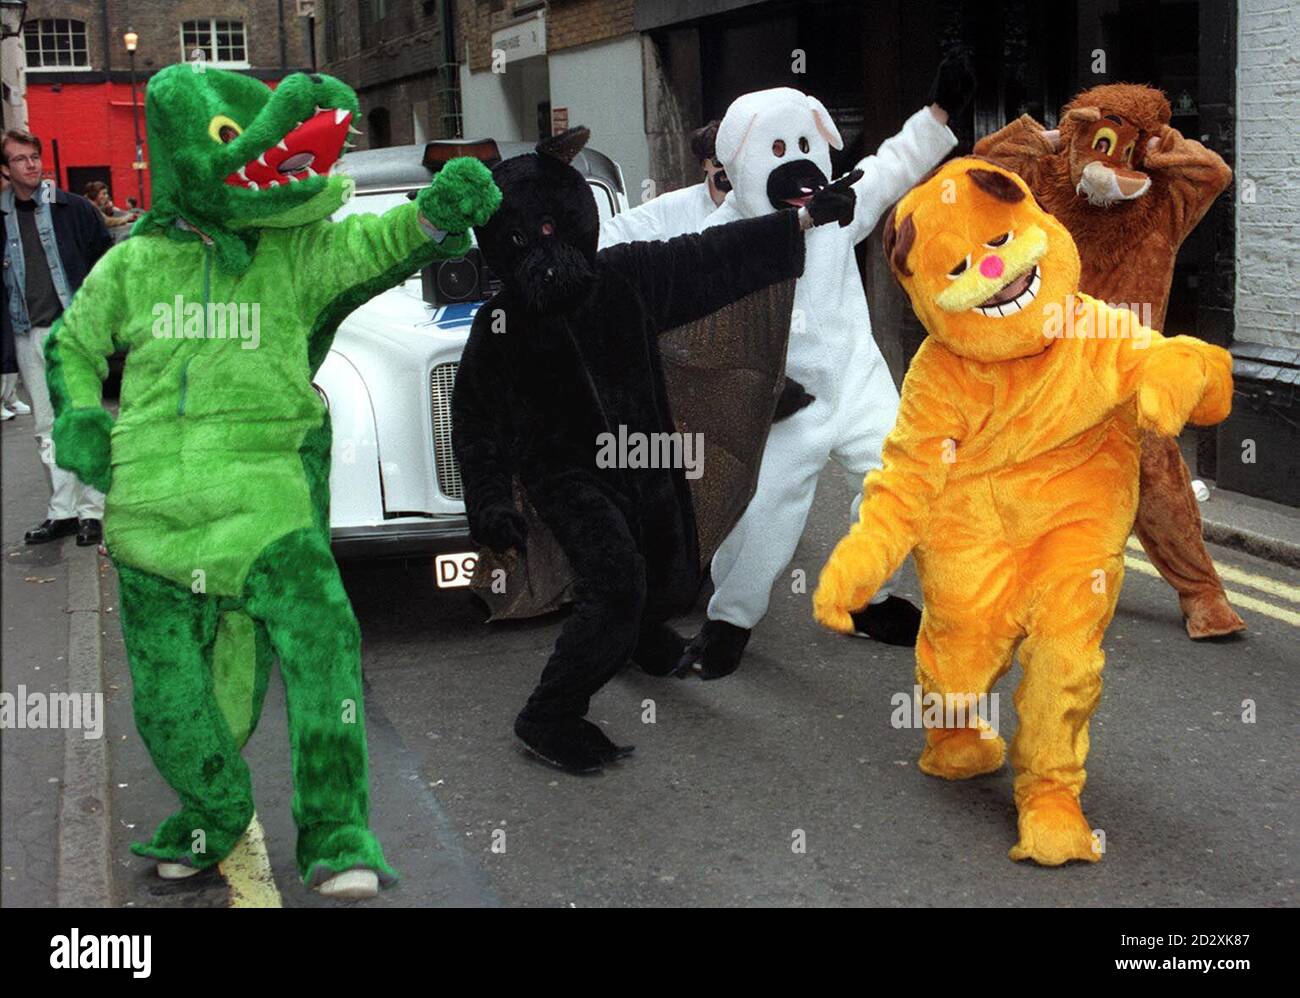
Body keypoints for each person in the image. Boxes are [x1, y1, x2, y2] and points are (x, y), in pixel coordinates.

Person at [0, 129, 110, 544]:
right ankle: (62, 511)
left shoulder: (73, 209)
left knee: (81, 419)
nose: (31, 164)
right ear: (5, 170)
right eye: (20, 159)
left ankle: (92, 512)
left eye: (34, 156)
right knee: (47, 427)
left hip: (73, 332)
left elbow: (106, 263)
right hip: (27, 334)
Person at [598, 120, 729, 248]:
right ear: (704, 163)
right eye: (718, 161)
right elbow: (616, 231)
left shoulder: (748, 207)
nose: (727, 169)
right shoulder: (676, 205)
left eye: (732, 161)